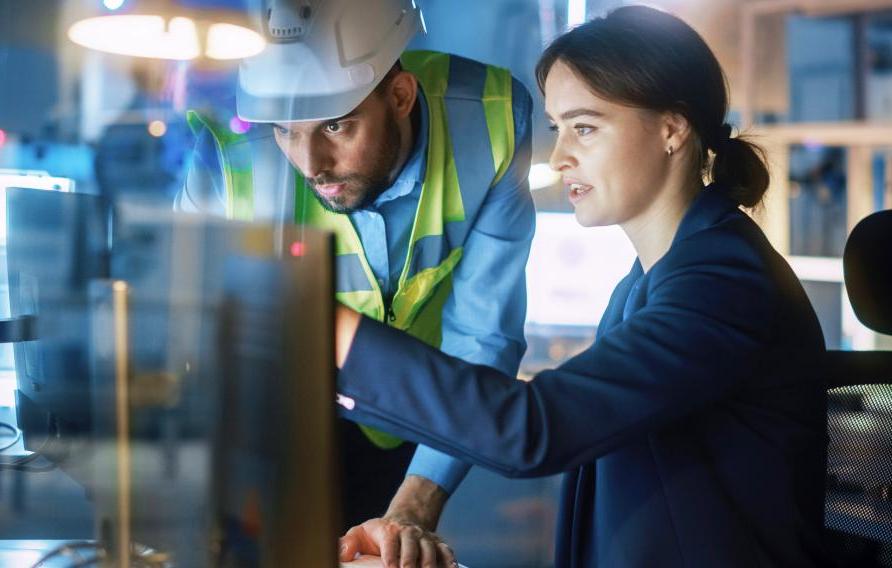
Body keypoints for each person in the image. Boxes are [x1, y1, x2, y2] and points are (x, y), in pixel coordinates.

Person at [334, 6, 828, 568]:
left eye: (585, 127)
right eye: (557, 129)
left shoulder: (721, 283)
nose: (562, 156)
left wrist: (339, 337)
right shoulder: (649, 280)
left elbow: (534, 430)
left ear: (672, 128)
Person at [175, 0, 535, 543]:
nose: (310, 163)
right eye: (284, 131)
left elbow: (483, 334)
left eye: (336, 125)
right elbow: (185, 322)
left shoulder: (492, 117)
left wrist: (416, 502)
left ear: (399, 96)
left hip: (427, 412)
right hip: (274, 413)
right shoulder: (225, 142)